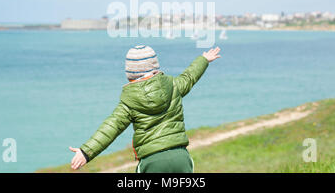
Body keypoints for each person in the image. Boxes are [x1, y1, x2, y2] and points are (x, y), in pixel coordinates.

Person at [69, 45, 221, 172]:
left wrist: (86, 152)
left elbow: (110, 128)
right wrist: (203, 60)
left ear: (129, 76)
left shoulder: (128, 103)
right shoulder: (174, 85)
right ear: (155, 69)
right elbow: (190, 76)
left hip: (151, 161)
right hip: (181, 157)